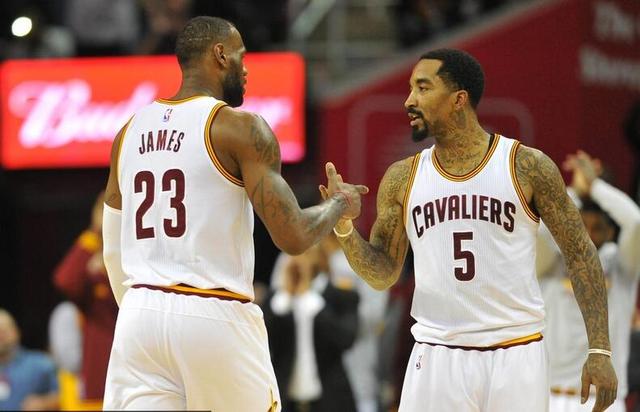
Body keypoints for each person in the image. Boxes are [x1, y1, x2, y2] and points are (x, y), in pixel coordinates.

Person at [319, 48, 617, 412]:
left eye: (423, 88)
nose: (409, 101)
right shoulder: (402, 178)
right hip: (437, 352)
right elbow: (382, 274)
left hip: (515, 350)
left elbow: (580, 253)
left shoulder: (526, 166)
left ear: (459, 99)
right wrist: (345, 227)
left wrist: (600, 349)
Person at [101, 16, 367, 411]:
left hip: (138, 316)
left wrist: (145, 308)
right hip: (211, 309)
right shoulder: (239, 128)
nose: (246, 68)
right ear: (220, 54)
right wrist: (340, 203)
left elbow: (112, 248)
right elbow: (293, 235)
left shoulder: (128, 132)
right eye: (242, 55)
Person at [538, 151, 640, 412]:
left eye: (598, 228)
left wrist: (594, 187)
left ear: (611, 230)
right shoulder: (551, 260)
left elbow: (636, 222)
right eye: (583, 226)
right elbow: (539, 227)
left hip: (605, 401)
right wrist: (575, 191)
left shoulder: (622, 266)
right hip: (550, 396)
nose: (590, 235)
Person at [263, 241, 359, 412]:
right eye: (293, 253)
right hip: (286, 401)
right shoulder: (276, 301)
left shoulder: (341, 296)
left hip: (330, 400)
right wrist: (287, 294)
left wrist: (309, 300)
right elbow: (264, 340)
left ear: (320, 257)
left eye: (306, 253)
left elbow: (346, 339)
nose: (299, 259)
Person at [53, 191, 117, 405]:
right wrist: (94, 232)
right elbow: (65, 281)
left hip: (142, 371)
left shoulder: (139, 256)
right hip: (101, 380)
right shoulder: (92, 271)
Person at [0, 309, 59, 410]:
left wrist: (44, 403)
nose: (1, 336)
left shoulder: (41, 364)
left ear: (17, 332)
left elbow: (67, 395)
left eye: (4, 331)